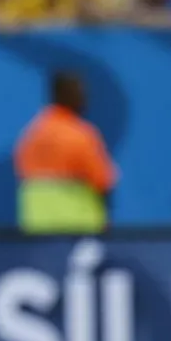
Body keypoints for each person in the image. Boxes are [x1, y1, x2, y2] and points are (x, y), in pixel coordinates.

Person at [14, 71, 115, 233]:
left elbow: (24, 175)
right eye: (79, 91)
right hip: (79, 230)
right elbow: (103, 180)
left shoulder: (31, 135)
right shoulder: (81, 135)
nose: (84, 97)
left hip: (36, 228)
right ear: (64, 94)